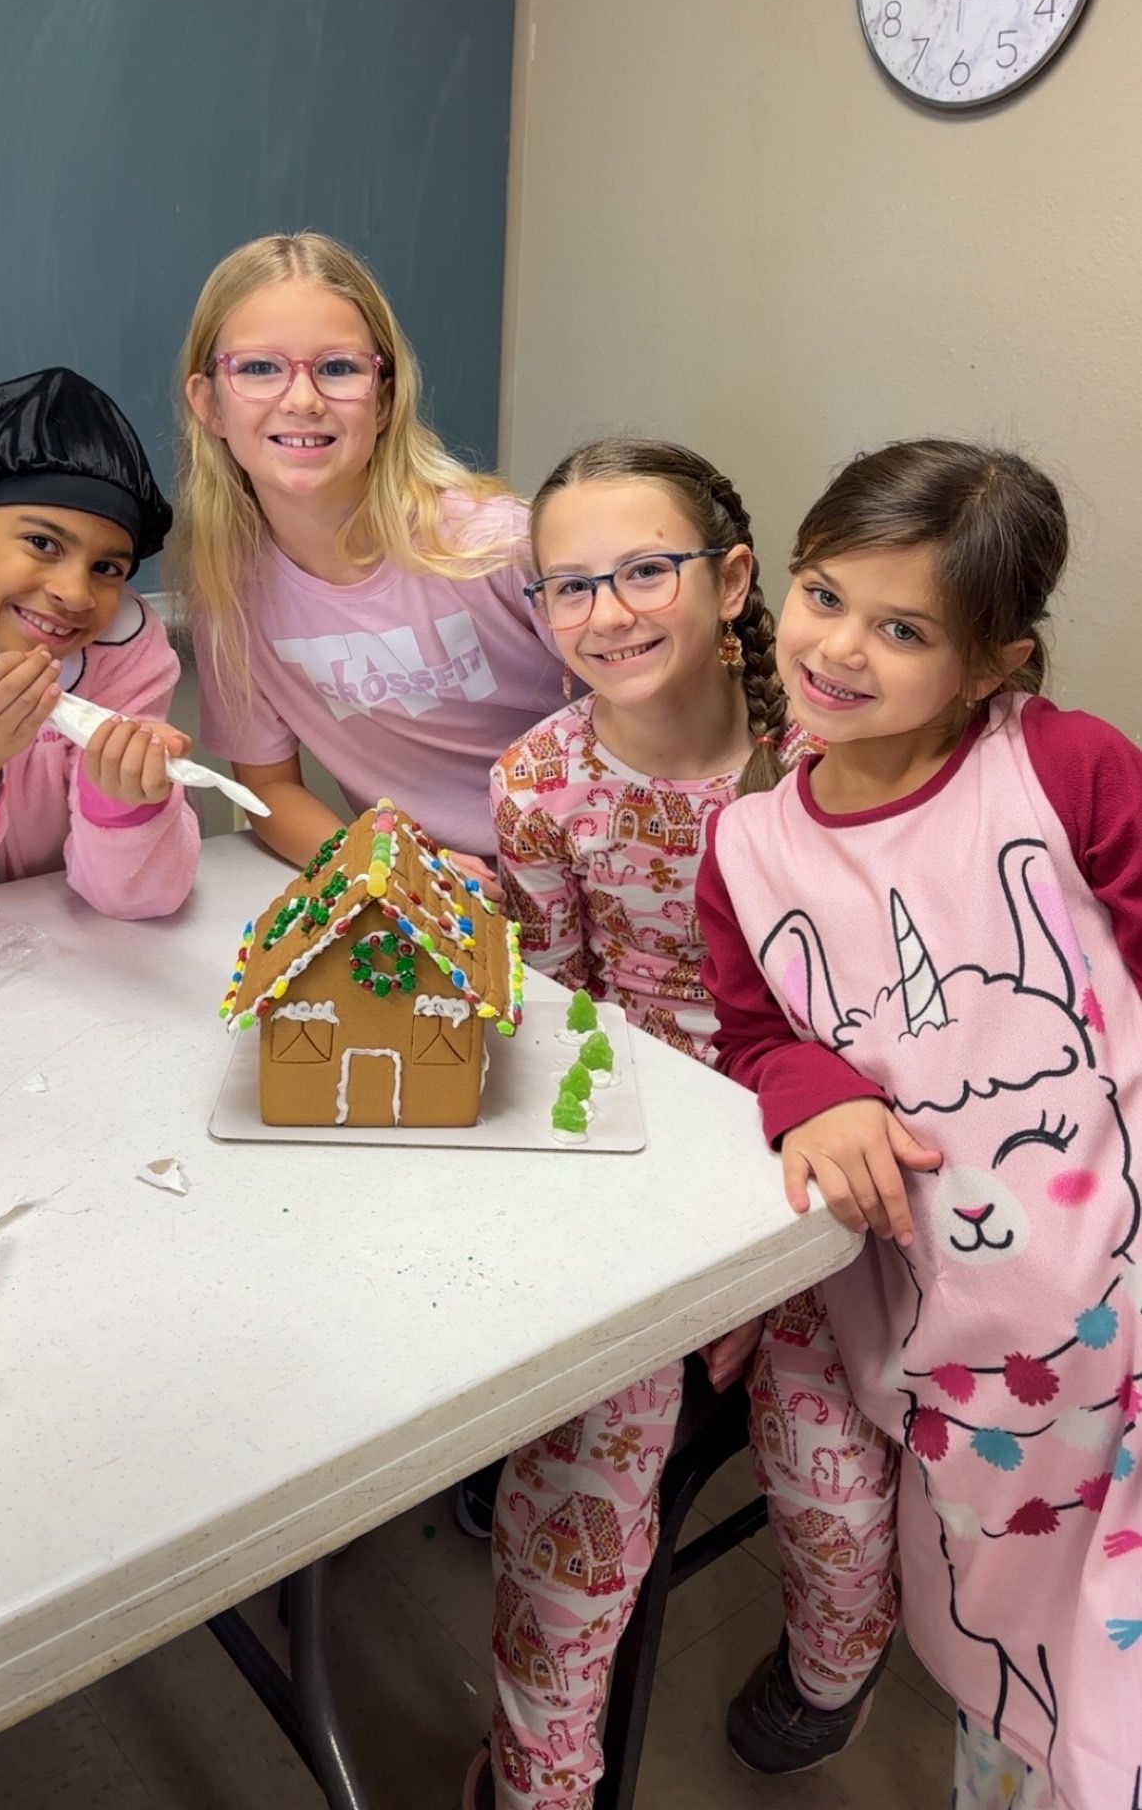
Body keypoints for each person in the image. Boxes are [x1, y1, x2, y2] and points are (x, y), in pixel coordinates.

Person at [700, 438, 1142, 1808]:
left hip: (1129, 1302)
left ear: (994, 661)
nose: (838, 647)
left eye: (902, 629)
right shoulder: (749, 845)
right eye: (823, 595)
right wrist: (813, 1097)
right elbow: (759, 1033)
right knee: (1009, 1645)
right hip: (966, 1359)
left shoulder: (1063, 769)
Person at [465, 439, 895, 1810]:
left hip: (821, 1175)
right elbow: (554, 1009)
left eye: (644, 570)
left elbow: (895, 1011)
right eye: (568, 586)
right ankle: (538, 1780)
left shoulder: (839, 760)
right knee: (576, 1499)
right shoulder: (540, 783)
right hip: (642, 1180)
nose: (608, 612)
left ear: (727, 581)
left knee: (832, 1502)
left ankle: (832, 1674)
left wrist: (771, 1251)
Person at [174, 231, 566, 882]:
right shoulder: (229, 589)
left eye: (337, 368)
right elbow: (269, 789)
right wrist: (385, 865)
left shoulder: (499, 547)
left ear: (383, 400)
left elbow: (647, 718)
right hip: (429, 899)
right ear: (209, 403)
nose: (301, 399)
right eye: (260, 368)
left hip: (599, 884)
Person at [0, 367, 198, 928]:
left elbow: (143, 899)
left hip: (75, 961)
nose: (74, 593)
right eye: (42, 543)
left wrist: (125, 800)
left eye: (108, 567)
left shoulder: (125, 661)